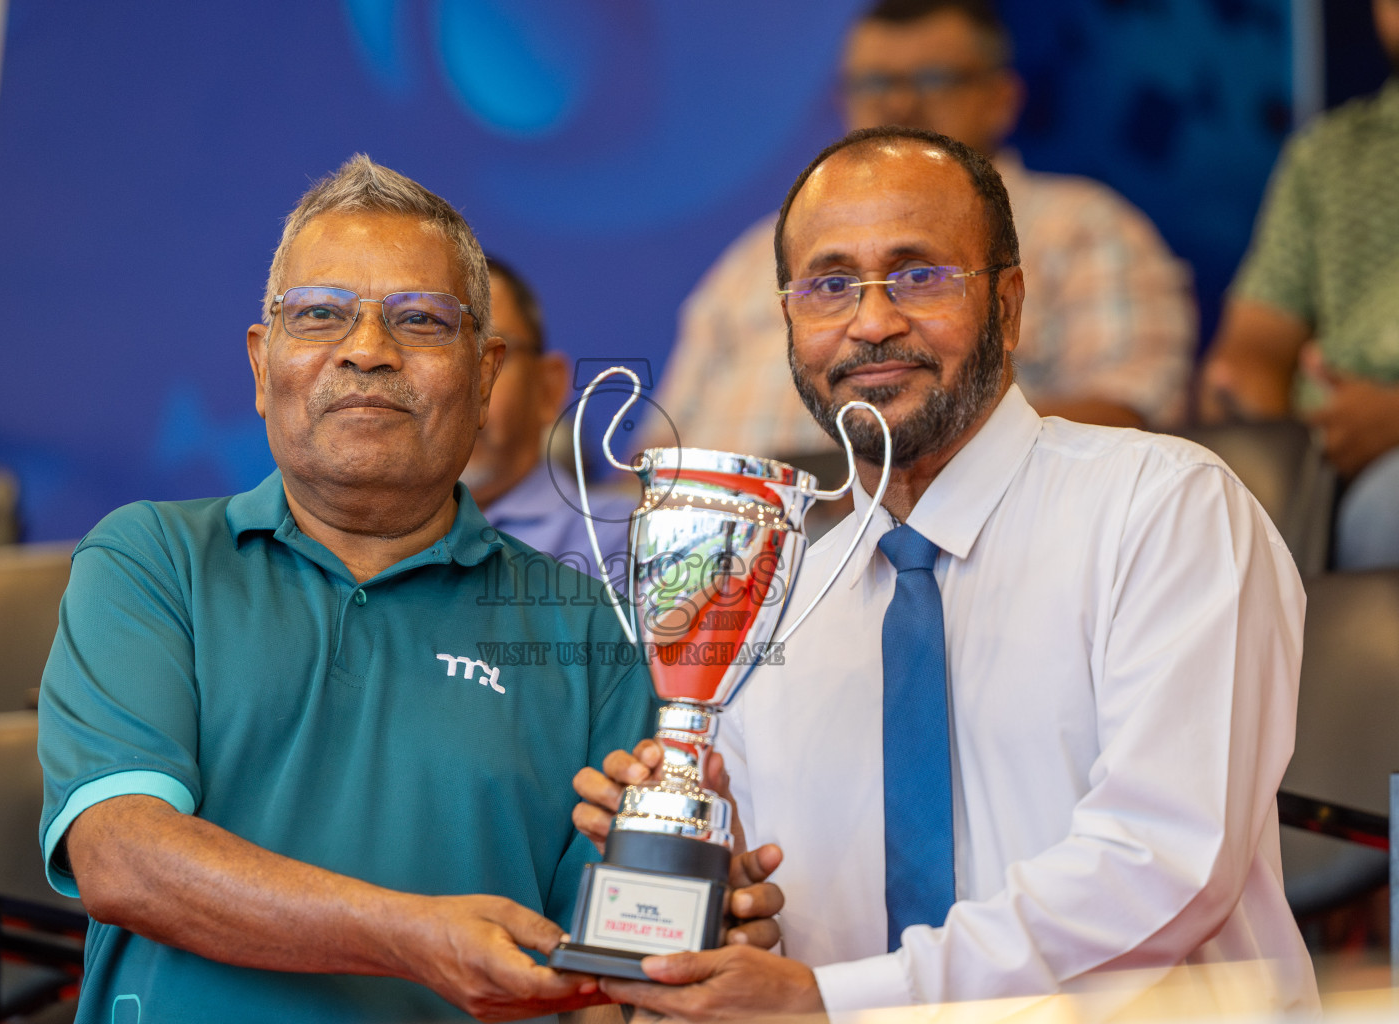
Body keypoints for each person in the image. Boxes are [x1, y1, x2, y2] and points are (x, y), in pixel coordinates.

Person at [575, 126, 1315, 1017]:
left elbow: (1163, 865)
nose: (872, 320)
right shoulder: (772, 600)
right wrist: (709, 890)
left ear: (1009, 304)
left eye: (920, 274)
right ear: (789, 323)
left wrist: (834, 1002)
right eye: (830, 284)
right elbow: (774, 938)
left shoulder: (1165, 511)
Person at [37, 155, 780, 1024]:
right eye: (319, 315)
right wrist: (411, 936)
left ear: (486, 375)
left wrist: (685, 930)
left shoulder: (585, 630)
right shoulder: (150, 560)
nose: (366, 351)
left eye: (420, 321)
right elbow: (123, 858)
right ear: (259, 360)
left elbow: (602, 988)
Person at [645, 0, 1194, 460]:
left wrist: (878, 473)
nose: (901, 102)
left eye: (934, 80)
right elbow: (657, 448)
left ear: (1001, 100)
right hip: (718, 556)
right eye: (877, 82)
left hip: (936, 544)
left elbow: (1124, 415)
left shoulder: (1081, 226)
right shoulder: (760, 251)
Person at [1199, 0, 1399, 570]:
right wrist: (1282, 443)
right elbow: (1254, 347)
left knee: (1387, 516)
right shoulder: (1329, 155)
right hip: (1329, 443)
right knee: (1208, 521)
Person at [464, 257, 638, 565]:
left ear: (548, 389)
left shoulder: (625, 540)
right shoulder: (358, 539)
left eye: (485, 356)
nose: (454, 388)